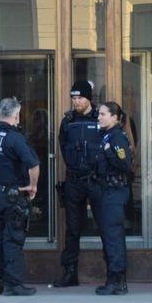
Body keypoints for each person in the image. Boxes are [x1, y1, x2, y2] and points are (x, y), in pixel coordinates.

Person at [0, 97, 40, 296]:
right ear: (16, 115)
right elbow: (33, 164)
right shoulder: (14, 138)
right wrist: (33, 186)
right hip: (12, 196)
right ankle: (13, 284)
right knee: (12, 238)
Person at [51, 80, 105, 288]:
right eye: (74, 98)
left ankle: (113, 273)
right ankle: (69, 272)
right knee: (72, 229)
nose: (76, 102)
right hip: (74, 180)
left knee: (104, 226)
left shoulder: (100, 118)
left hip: (96, 180)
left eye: (80, 97)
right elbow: (63, 146)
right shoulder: (68, 121)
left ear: (89, 98)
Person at [93, 102, 135, 295]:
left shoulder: (116, 137)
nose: (99, 117)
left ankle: (116, 280)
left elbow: (125, 163)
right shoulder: (107, 136)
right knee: (111, 236)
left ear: (114, 117)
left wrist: (109, 151)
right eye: (99, 114)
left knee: (113, 237)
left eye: (103, 114)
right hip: (107, 191)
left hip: (114, 191)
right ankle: (115, 279)